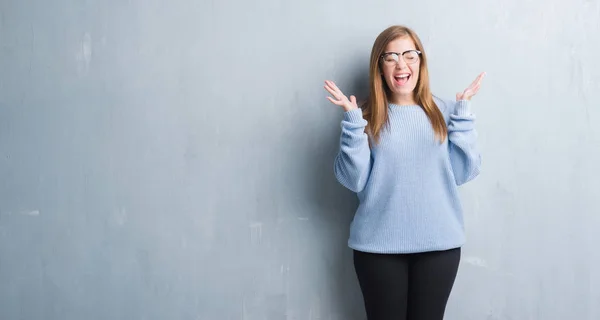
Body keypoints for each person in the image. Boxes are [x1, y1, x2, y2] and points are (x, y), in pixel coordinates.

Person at [323, 25, 484, 320]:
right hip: (377, 248)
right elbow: (353, 179)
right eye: (391, 57)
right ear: (380, 67)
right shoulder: (366, 117)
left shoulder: (446, 111)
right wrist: (352, 124)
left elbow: (464, 172)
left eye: (410, 55)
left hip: (439, 246)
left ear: (420, 62)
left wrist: (463, 116)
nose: (401, 64)